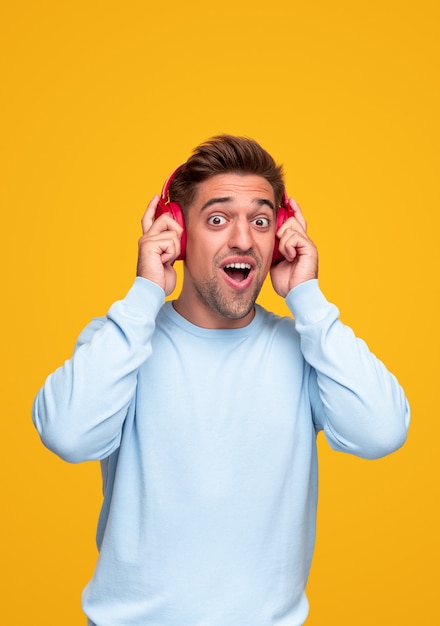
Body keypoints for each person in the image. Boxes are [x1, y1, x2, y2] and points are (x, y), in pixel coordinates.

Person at [32, 134, 410, 626]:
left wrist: (309, 299)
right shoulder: (121, 340)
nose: (243, 239)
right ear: (179, 236)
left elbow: (381, 430)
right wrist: (145, 292)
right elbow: (67, 434)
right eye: (217, 219)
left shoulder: (305, 348)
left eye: (260, 220)